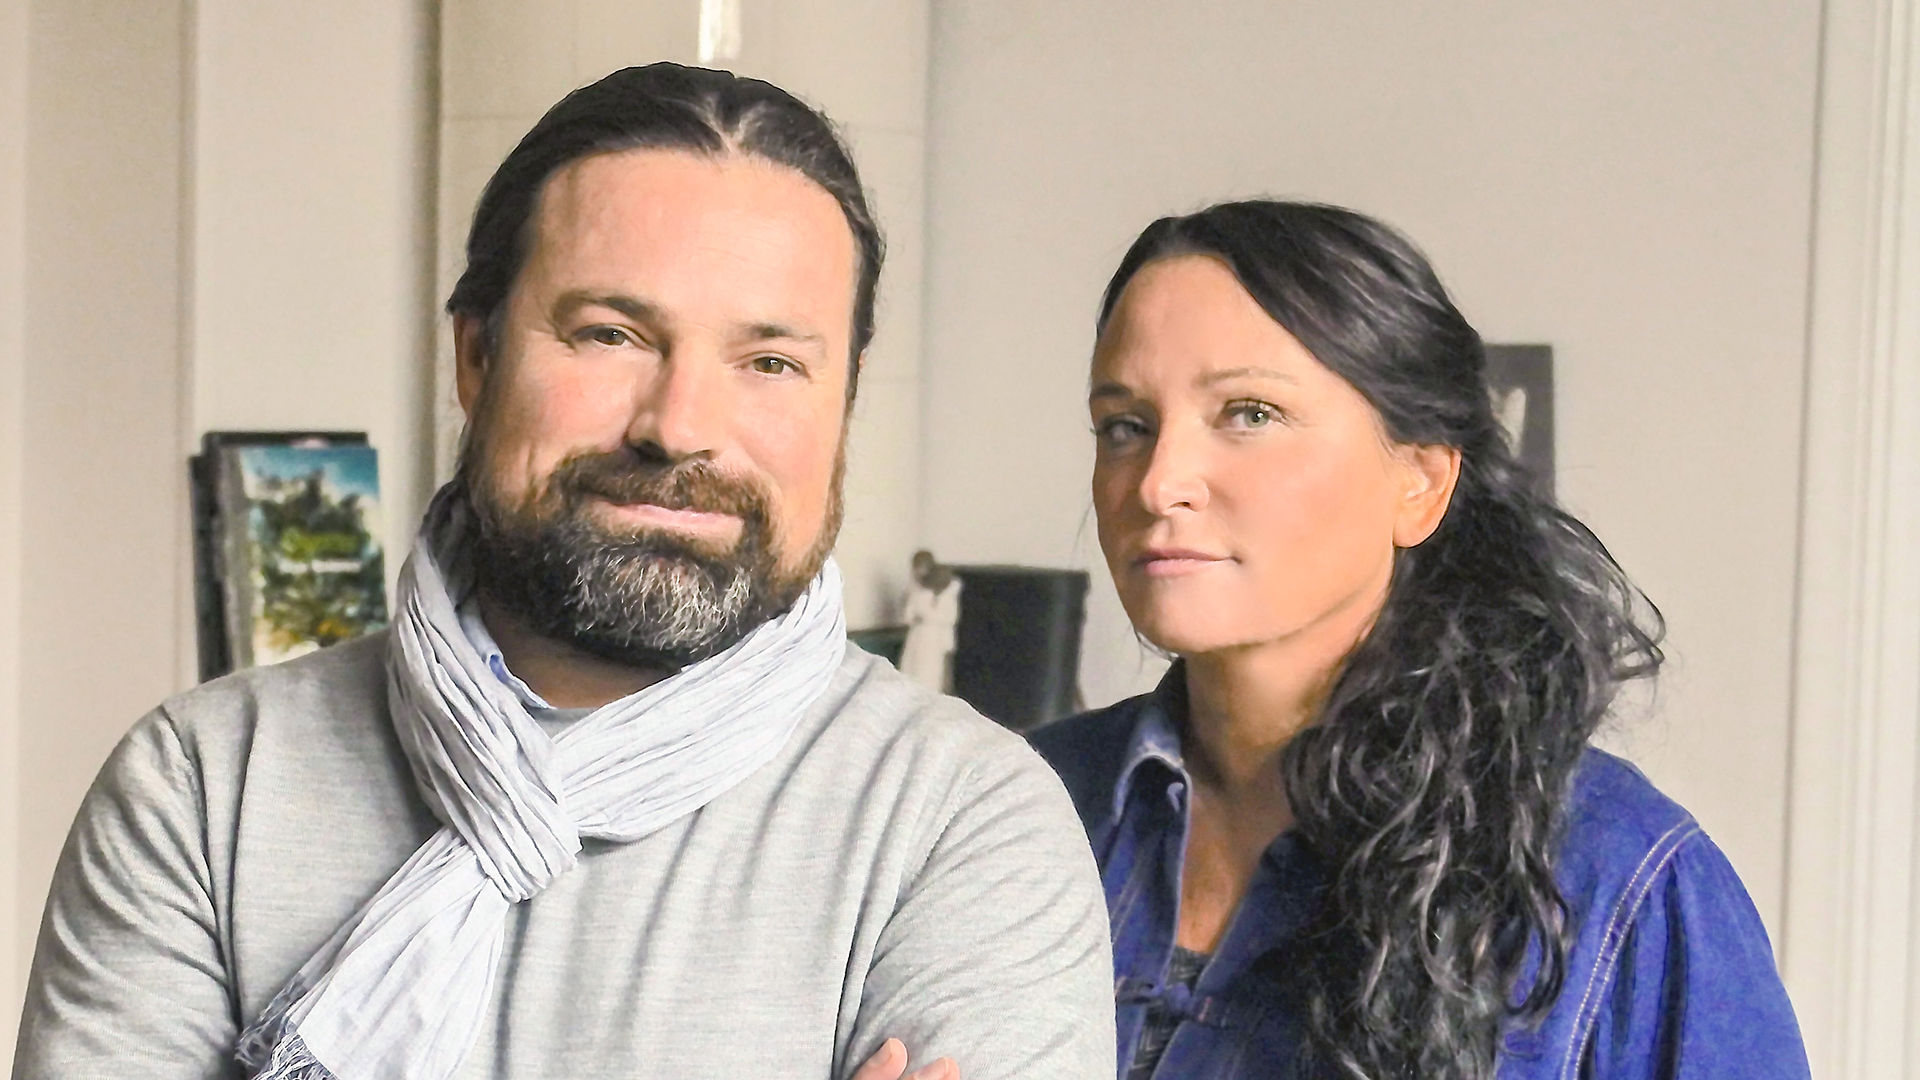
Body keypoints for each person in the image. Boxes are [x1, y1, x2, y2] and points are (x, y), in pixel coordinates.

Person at [13, 64, 1112, 1080]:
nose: (679, 426)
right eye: (610, 335)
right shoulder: (205, 785)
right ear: (475, 355)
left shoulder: (964, 824)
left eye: (770, 361)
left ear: (845, 404)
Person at [1031, 200, 1809, 1079]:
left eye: (1249, 413)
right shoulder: (1012, 806)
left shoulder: (1614, 875)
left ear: (1421, 481)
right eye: (1125, 426)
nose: (1158, 482)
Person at [898, 550, 962, 692]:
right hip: (918, 639)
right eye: (916, 567)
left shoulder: (948, 593)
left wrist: (926, 618)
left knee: (932, 676)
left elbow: (949, 620)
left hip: (936, 642)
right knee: (914, 672)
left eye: (921, 567)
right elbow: (907, 616)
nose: (917, 572)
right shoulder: (916, 591)